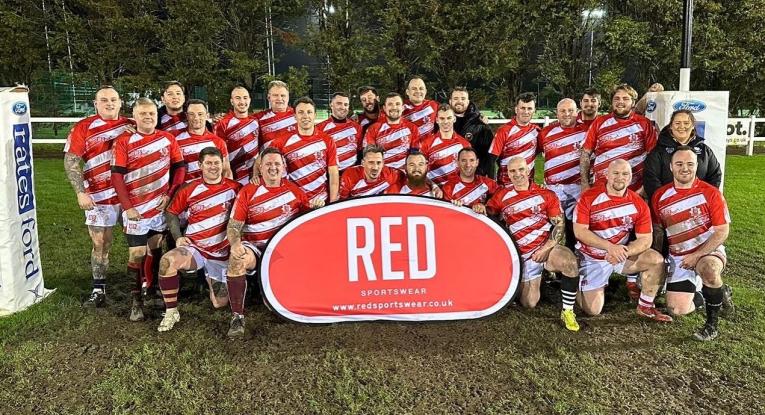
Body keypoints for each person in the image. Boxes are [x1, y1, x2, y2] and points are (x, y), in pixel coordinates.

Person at [225, 147, 322, 337]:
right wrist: (235, 244)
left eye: (277, 164)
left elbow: (308, 219)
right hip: (255, 248)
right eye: (268, 164)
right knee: (236, 260)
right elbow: (233, 225)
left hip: (281, 252)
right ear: (260, 168)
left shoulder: (294, 191)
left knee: (273, 307)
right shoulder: (248, 191)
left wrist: (316, 208)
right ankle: (237, 316)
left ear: (284, 167)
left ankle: (273, 291)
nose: (273, 168)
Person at [111, 98, 186, 321]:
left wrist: (169, 194)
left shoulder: (167, 138)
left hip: (158, 207)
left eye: (152, 113)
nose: (148, 117)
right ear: (135, 116)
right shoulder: (124, 141)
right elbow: (116, 176)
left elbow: (180, 168)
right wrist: (128, 207)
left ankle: (152, 290)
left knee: (155, 250)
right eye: (143, 113)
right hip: (135, 209)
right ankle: (136, 301)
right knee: (136, 254)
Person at [485, 157, 581, 331]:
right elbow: (487, 216)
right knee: (529, 303)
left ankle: (567, 311)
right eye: (512, 171)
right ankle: (539, 279)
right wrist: (478, 207)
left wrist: (546, 248)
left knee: (569, 261)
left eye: (521, 169)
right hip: (519, 253)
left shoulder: (546, 194)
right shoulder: (501, 195)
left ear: (529, 169)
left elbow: (559, 225)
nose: (517, 174)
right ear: (507, 173)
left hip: (543, 249)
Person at [573, 159, 671, 322]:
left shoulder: (638, 203)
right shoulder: (588, 198)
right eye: (616, 173)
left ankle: (645, 306)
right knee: (592, 310)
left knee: (655, 260)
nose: (620, 178)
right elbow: (580, 231)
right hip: (592, 257)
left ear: (631, 177)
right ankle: (574, 279)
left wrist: (625, 251)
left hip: (620, 255)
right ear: (607, 175)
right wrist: (609, 247)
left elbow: (646, 240)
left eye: (625, 174)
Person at [651, 146, 733, 340]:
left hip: (707, 252)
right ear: (671, 167)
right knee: (676, 309)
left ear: (697, 166)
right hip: (679, 256)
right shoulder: (660, 196)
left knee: (710, 270)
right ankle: (716, 293)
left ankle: (711, 325)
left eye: (690, 164)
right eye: (679, 164)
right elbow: (659, 232)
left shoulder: (711, 193)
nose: (685, 168)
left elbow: (722, 231)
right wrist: (658, 265)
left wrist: (697, 255)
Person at [156, 147, 241, 332]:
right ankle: (171, 312)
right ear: (200, 165)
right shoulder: (189, 188)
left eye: (217, 163)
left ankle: (209, 279)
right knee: (167, 262)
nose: (213, 167)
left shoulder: (236, 188)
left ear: (223, 164)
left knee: (219, 303)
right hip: (196, 248)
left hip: (221, 254)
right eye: (208, 163)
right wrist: (178, 238)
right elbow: (171, 213)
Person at [64, 86, 134, 307]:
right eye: (104, 100)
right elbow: (71, 161)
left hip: (130, 195)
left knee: (140, 243)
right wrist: (80, 192)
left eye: (113, 99)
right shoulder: (83, 127)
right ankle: (98, 289)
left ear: (120, 102)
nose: (109, 103)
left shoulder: (133, 124)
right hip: (98, 196)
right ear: (96, 104)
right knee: (101, 244)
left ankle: (144, 287)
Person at [579, 83, 658, 196]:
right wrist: (585, 184)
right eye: (616, 98)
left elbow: (653, 157)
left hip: (634, 190)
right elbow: (585, 154)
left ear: (633, 103)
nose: (620, 102)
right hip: (601, 189)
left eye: (625, 98)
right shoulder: (599, 122)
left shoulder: (644, 123)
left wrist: (644, 187)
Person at [262, 97, 340, 203]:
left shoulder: (327, 140)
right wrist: (254, 174)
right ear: (295, 116)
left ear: (315, 115)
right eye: (301, 112)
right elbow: (261, 161)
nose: (305, 116)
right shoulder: (282, 141)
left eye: (309, 112)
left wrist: (333, 202)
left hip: (320, 201)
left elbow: (333, 174)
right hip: (294, 202)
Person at [538, 98, 589, 249]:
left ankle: (573, 263)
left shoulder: (587, 131)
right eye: (563, 111)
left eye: (571, 111)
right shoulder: (545, 133)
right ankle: (550, 265)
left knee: (574, 228)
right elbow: (535, 155)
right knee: (552, 227)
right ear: (557, 113)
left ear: (577, 112)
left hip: (577, 188)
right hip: (553, 189)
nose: (567, 114)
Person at [644, 109, 722, 200]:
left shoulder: (704, 150)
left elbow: (715, 175)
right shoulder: (658, 151)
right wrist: (666, 202)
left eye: (686, 123)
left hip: (700, 205)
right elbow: (650, 179)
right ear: (671, 126)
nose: (682, 126)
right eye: (677, 123)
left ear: (693, 126)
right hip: (668, 206)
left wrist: (706, 198)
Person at [488, 92, 540, 186]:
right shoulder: (504, 131)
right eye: (522, 108)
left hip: (528, 187)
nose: (526, 112)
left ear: (534, 111)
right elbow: (491, 160)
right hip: (506, 185)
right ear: (516, 109)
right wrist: (493, 185)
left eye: (529, 108)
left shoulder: (536, 131)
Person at [175, 99, 232, 182]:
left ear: (207, 115)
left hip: (209, 192)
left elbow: (226, 171)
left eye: (200, 114)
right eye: (192, 114)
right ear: (186, 116)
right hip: (184, 192)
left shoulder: (218, 142)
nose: (196, 118)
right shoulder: (175, 139)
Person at [214, 86, 261, 185]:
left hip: (255, 176)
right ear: (232, 101)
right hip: (233, 177)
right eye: (238, 98)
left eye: (245, 97)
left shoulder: (256, 121)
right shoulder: (222, 123)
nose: (242, 101)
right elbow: (218, 153)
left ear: (249, 100)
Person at [419, 104, 471, 187]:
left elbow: (468, 172)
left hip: (455, 191)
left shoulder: (464, 144)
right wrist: (433, 186)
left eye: (449, 118)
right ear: (436, 120)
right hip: (434, 191)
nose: (446, 122)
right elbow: (420, 171)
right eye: (442, 118)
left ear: (454, 119)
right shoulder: (426, 144)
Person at [364, 92, 420, 170]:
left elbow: (414, 156)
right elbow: (370, 156)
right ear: (384, 108)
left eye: (397, 104)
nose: (394, 107)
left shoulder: (412, 128)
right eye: (390, 104)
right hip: (381, 173)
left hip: (404, 174)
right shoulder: (373, 129)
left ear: (403, 107)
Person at [449, 87, 495, 177]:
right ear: (450, 101)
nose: (459, 101)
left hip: (473, 179)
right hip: (449, 179)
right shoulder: (442, 123)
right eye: (455, 98)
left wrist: (490, 180)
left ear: (468, 101)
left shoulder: (480, 125)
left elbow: (490, 157)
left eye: (463, 98)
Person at [316, 92, 364, 172]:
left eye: (346, 104)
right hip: (329, 175)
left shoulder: (357, 127)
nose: (343, 107)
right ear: (331, 105)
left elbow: (360, 152)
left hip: (351, 175)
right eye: (339, 103)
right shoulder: (319, 128)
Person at [442, 148, 499, 214]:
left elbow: (500, 204)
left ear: (477, 162)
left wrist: (485, 207)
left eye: (471, 160)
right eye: (464, 160)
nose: (468, 165)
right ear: (457, 163)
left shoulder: (489, 183)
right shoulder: (448, 188)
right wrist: (454, 208)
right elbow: (445, 214)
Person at [339, 145, 406, 198]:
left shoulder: (391, 174)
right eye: (371, 162)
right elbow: (341, 202)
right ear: (363, 163)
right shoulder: (350, 176)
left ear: (383, 163)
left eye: (378, 163)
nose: (375, 167)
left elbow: (409, 183)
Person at [254, 80, 297, 149]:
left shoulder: (298, 115)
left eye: (283, 95)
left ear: (288, 97)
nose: (279, 99)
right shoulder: (258, 118)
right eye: (275, 95)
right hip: (269, 158)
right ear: (269, 97)